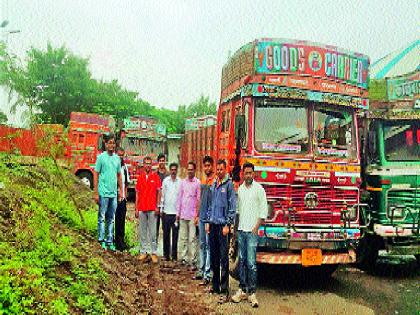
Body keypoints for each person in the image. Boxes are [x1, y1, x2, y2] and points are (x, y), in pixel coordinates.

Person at [231, 162, 267, 308]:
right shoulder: (240, 190)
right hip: (241, 231)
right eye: (246, 173)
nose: (248, 175)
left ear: (254, 174)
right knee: (243, 262)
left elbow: (263, 212)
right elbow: (237, 212)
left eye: (250, 173)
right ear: (243, 174)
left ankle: (252, 293)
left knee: (252, 264)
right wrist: (235, 230)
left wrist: (255, 228)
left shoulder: (259, 189)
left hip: (252, 233)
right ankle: (242, 290)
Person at [205, 159, 236, 301]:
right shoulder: (214, 184)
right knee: (214, 257)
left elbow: (232, 207)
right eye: (217, 169)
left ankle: (224, 288)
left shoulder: (228, 185)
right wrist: (207, 221)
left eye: (221, 169)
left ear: (225, 169)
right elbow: (210, 204)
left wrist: (227, 225)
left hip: (223, 227)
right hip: (213, 224)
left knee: (224, 258)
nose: (219, 171)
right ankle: (215, 285)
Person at [94, 133, 122, 251]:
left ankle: (109, 241)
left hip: (113, 193)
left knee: (111, 218)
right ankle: (101, 240)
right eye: (109, 143)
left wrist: (120, 191)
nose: (112, 145)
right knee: (102, 216)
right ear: (105, 144)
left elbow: (119, 175)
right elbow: (96, 174)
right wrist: (95, 192)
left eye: (113, 143)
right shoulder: (101, 158)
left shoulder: (117, 158)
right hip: (103, 193)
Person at [135, 156, 161, 263]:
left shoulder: (155, 177)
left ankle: (153, 252)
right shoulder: (140, 177)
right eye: (146, 163)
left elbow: (159, 192)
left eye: (149, 163)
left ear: (152, 165)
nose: (148, 165)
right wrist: (136, 208)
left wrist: (157, 206)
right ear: (143, 165)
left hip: (152, 208)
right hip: (142, 208)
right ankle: (143, 251)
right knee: (142, 231)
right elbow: (137, 193)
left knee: (153, 231)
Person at [193, 156, 214, 285]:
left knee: (208, 245)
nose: (207, 168)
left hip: (209, 219)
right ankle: (201, 270)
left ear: (212, 166)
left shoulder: (215, 181)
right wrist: (196, 215)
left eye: (208, 165)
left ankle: (208, 273)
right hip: (201, 217)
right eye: (205, 166)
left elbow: (214, 203)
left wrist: (209, 220)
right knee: (201, 244)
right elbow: (200, 199)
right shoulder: (203, 179)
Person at [176, 161, 200, 268]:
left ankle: (193, 261)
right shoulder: (182, 182)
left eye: (191, 169)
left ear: (194, 170)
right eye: (188, 169)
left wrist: (197, 215)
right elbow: (179, 198)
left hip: (192, 215)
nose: (190, 171)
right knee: (183, 238)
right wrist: (178, 213)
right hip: (183, 214)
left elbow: (199, 200)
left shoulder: (198, 183)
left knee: (192, 239)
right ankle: (184, 259)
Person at [161, 162, 181, 261]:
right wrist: (161, 209)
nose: (173, 171)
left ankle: (174, 256)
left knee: (175, 236)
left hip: (176, 214)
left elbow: (181, 198)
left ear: (177, 170)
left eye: (175, 170)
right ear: (170, 170)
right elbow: (162, 196)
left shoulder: (180, 182)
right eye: (172, 169)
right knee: (166, 235)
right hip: (166, 212)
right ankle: (166, 255)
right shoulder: (165, 181)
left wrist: (179, 213)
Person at [114, 147, 130, 251]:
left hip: (122, 198)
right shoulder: (112, 167)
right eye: (119, 155)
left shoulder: (124, 168)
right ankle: (112, 241)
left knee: (121, 220)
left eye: (122, 155)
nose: (120, 157)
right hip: (113, 198)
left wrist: (125, 197)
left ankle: (121, 242)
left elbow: (127, 183)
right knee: (113, 220)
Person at [156, 153, 169, 241]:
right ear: (158, 162)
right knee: (155, 227)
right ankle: (154, 248)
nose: (162, 162)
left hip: (166, 205)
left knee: (165, 228)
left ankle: (166, 249)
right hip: (156, 204)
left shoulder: (168, 175)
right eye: (160, 161)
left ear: (165, 162)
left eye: (163, 160)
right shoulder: (154, 174)